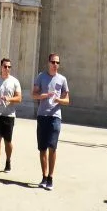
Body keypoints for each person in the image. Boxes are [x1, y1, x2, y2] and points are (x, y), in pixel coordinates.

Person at [32, 53, 70, 191]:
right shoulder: (41, 77)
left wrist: (58, 100)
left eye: (57, 63)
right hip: (42, 115)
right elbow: (34, 94)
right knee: (42, 148)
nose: (55, 65)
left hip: (55, 116)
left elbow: (67, 100)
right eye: (53, 62)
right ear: (48, 63)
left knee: (52, 147)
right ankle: (44, 176)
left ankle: (51, 177)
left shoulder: (62, 80)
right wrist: (44, 96)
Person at [0, 57, 22, 175]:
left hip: (9, 115)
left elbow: (19, 98)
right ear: (1, 67)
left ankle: (8, 160)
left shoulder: (15, 81)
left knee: (8, 141)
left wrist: (9, 98)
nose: (7, 68)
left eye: (9, 67)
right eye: (5, 66)